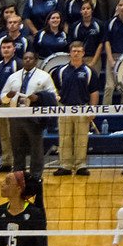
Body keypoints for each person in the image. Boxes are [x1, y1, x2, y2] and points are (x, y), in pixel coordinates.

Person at [0, 50, 58, 180]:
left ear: (36, 60)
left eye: (30, 58)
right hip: (15, 116)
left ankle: (35, 175)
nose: (27, 60)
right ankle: (18, 175)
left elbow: (53, 96)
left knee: (36, 148)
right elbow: (2, 97)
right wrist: (8, 96)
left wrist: (38, 98)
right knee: (17, 148)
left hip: (34, 118)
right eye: (25, 58)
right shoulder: (13, 77)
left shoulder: (44, 76)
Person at [51, 40, 99, 176]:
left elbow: (94, 92)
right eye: (74, 51)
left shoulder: (89, 71)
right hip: (65, 109)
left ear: (83, 53)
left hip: (82, 108)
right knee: (64, 138)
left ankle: (80, 165)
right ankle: (65, 165)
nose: (76, 53)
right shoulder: (60, 71)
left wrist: (92, 110)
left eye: (79, 51)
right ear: (69, 53)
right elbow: (55, 90)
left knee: (81, 139)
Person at [0, 40, 21, 173]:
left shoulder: (17, 63)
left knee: (13, 134)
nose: (6, 50)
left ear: (14, 48)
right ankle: (6, 162)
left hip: (11, 105)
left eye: (8, 47)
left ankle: (16, 162)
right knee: (3, 135)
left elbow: (20, 84)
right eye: (3, 47)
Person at [68, 1, 104, 71]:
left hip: (94, 58)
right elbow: (72, 44)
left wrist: (94, 61)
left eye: (88, 8)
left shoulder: (99, 24)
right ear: (80, 11)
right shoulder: (75, 26)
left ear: (92, 10)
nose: (85, 11)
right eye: (83, 9)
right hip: (79, 58)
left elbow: (101, 44)